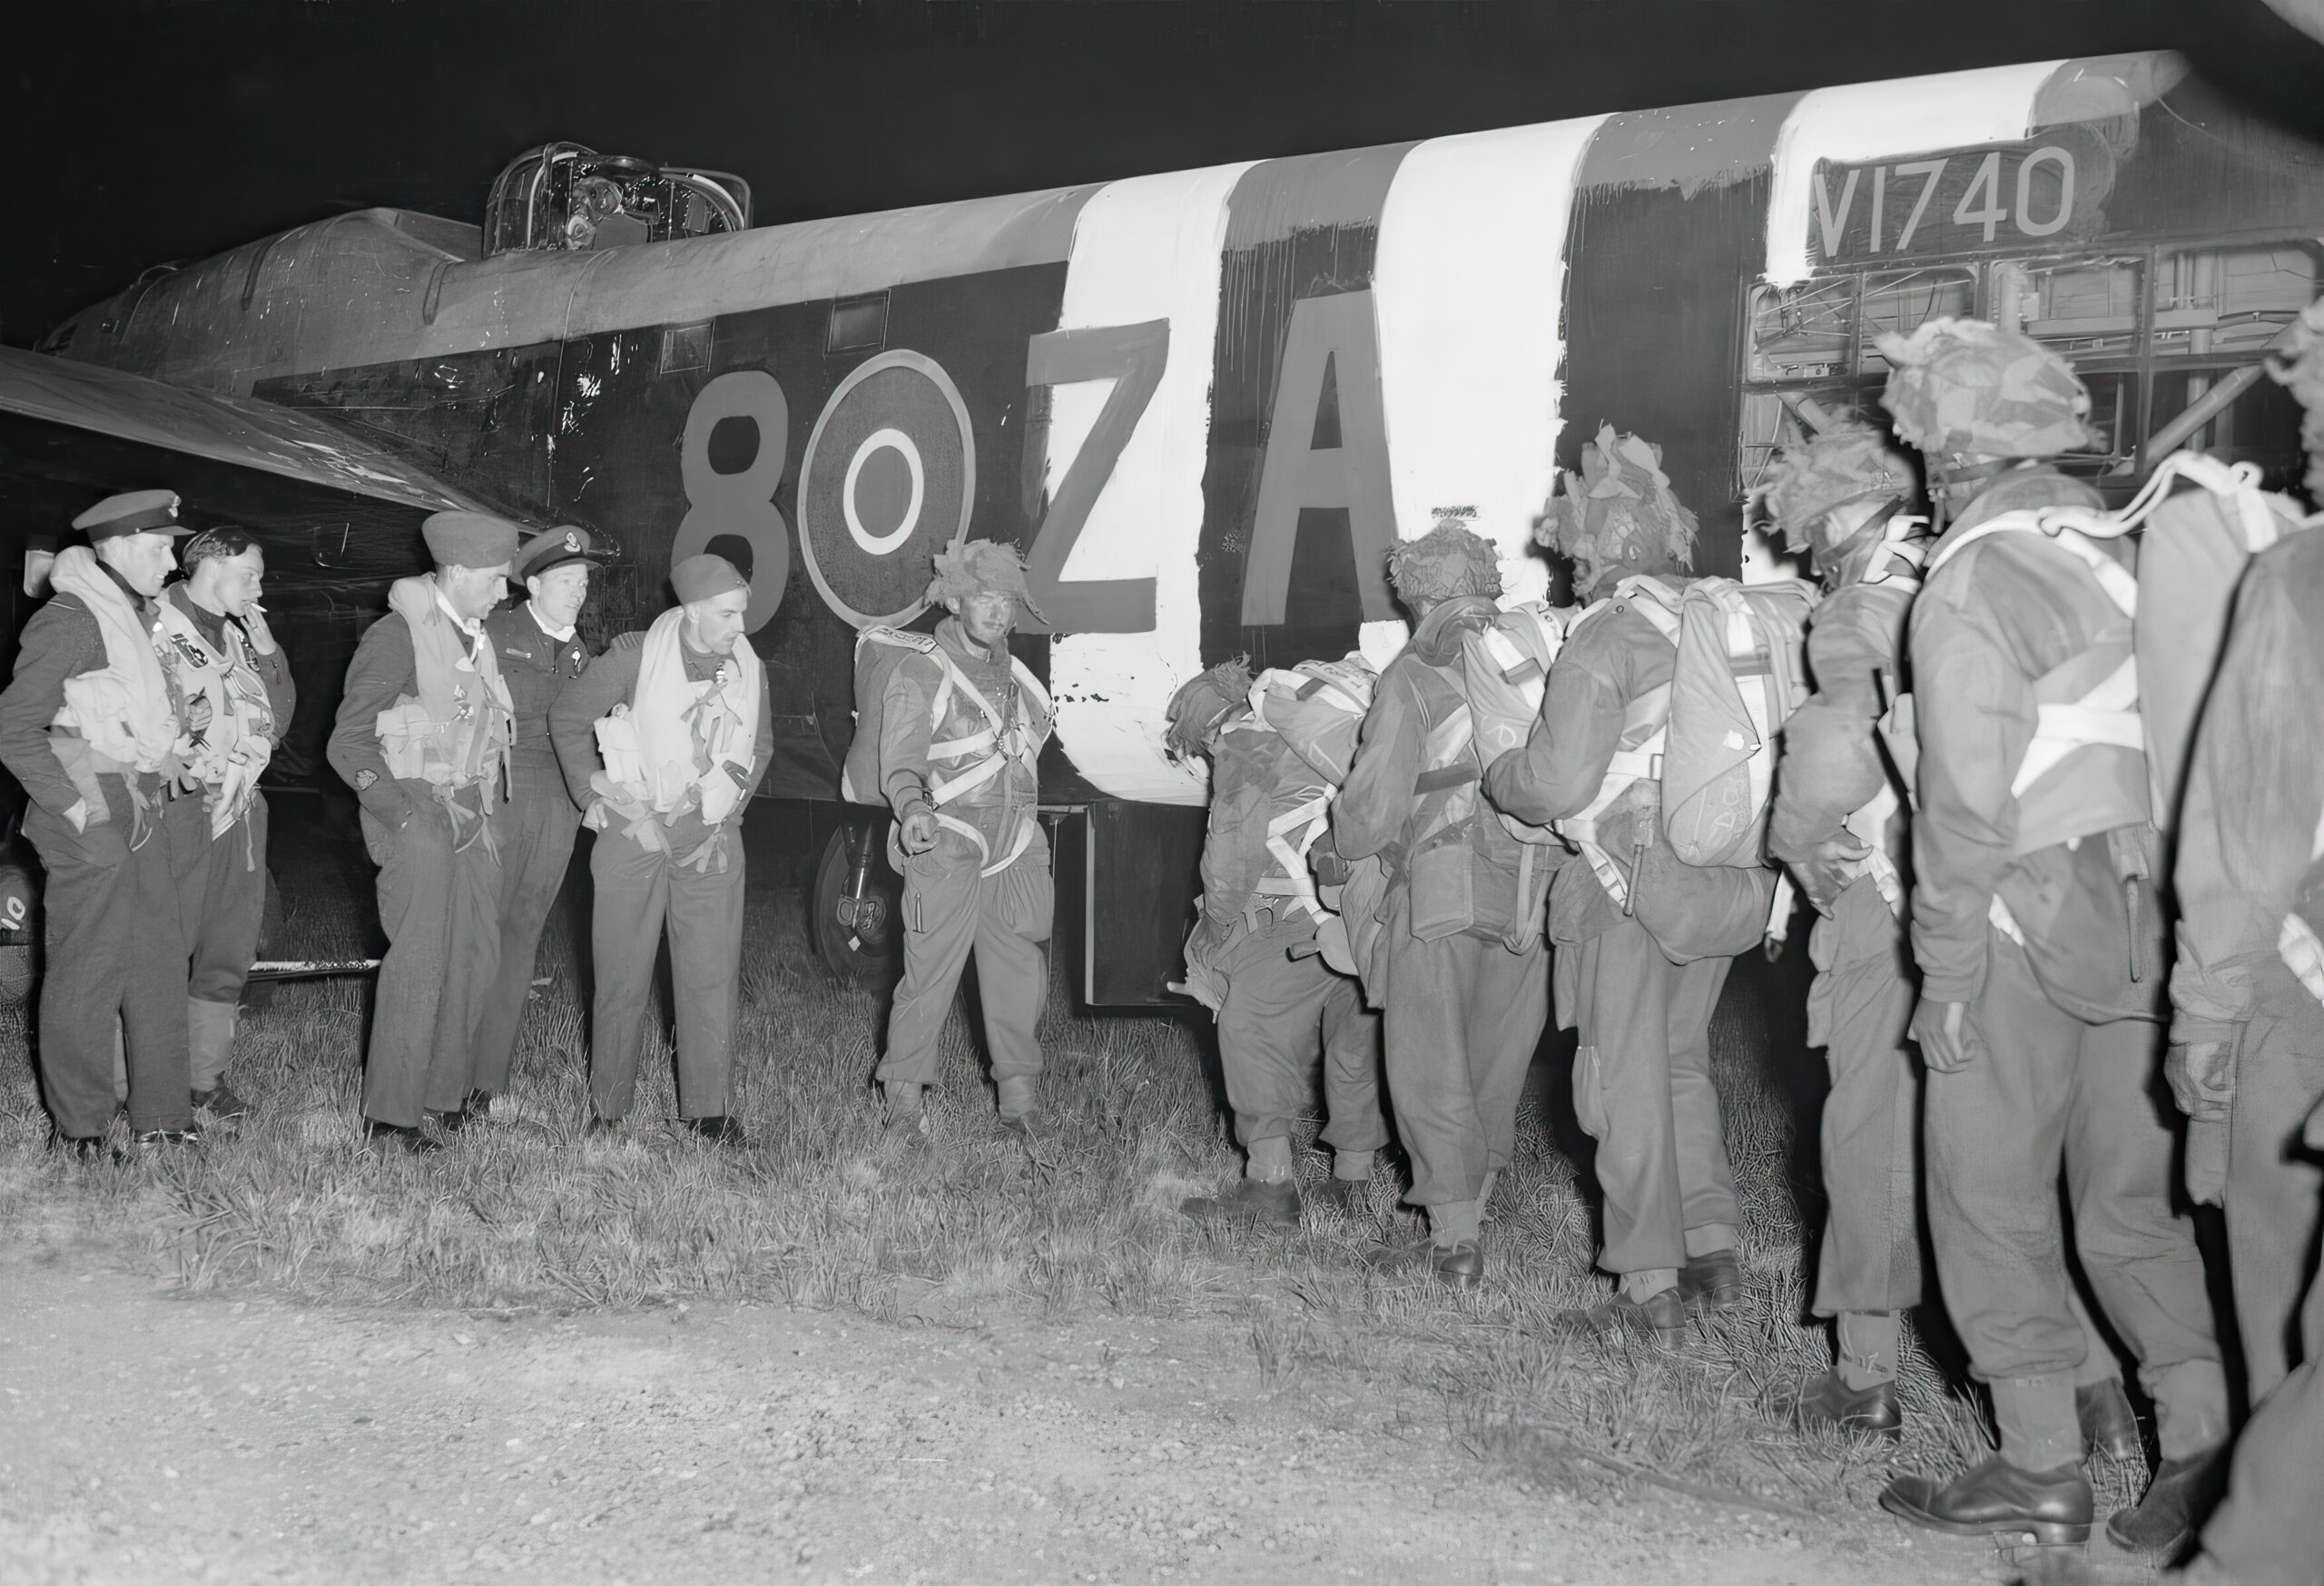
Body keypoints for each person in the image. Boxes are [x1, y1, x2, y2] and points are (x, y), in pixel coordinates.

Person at [1874, 319, 2227, 1551]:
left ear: (1943, 457)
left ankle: (2037, 1462)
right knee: (2131, 1204)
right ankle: (2201, 1441)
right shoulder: (2128, 550)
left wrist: (1948, 968)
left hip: (2024, 922)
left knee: (1988, 1191)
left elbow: (1967, 802)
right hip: (2149, 915)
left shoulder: (1972, 576)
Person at [1759, 419, 2143, 1453]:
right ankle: (2096, 1390)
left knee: (1873, 1142)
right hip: (2022, 900)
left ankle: (1864, 1379)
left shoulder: (1861, 604)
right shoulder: (1975, 565)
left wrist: (1793, 838)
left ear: (1844, 514)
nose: (1802, 550)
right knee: (2003, 1158)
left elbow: (1838, 751)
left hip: (1895, 902)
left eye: (1808, 527)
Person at [1484, 431, 1769, 1343]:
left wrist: (1503, 776)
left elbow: (1559, 782)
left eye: (1573, 551)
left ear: (1597, 549)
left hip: (1623, 885)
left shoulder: (1607, 633)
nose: (1568, 567)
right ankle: (1713, 1248)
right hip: (1718, 880)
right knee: (1682, 1061)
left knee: (1617, 1080)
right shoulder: (1719, 618)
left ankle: (1648, 1291)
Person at [1329, 517, 1552, 1291]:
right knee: (1495, 1060)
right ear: (1486, 582)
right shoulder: (1537, 657)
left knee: (1431, 1064)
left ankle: (1454, 1239)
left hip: (1442, 889)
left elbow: (1370, 810)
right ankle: (1473, 1210)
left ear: (1413, 590)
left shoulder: (1413, 673)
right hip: (1533, 891)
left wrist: (1342, 843)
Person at [549, 552, 771, 1144]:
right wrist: (589, 794)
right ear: (693, 609)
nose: (739, 628)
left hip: (710, 841)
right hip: (636, 833)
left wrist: (727, 808)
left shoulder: (745, 669)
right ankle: (608, 1109)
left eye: (741, 614)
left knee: (711, 974)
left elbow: (761, 746)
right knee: (621, 974)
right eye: (727, 615)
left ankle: (709, 1109)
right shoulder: (634, 656)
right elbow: (568, 717)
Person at [0, 490, 195, 1153]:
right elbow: (14, 727)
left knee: (158, 961)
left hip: (138, 801)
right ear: (113, 546)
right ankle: (80, 1129)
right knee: (90, 967)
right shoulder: (72, 617)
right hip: (86, 803)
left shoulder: (137, 618)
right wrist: (77, 809)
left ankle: (164, 1118)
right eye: (160, 545)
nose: (172, 561)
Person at [1167, 660, 1386, 1227]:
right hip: (1364, 916)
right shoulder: (1322, 733)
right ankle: (1353, 1179)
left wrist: (1214, 935)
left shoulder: (1242, 745)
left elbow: (1230, 858)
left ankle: (1269, 1187)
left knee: (1250, 1029)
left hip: (1291, 924)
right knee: (1353, 1043)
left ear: (1208, 729)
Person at [328, 510, 518, 1155]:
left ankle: (442, 1097)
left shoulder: (475, 639)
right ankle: (391, 1115)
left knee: (475, 956)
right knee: (420, 960)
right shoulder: (395, 635)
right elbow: (346, 743)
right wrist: (405, 818)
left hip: (470, 814)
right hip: (413, 814)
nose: (503, 591)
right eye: (495, 579)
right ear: (458, 572)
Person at [872, 541, 1056, 1136]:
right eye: (984, 598)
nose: (998, 611)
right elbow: (899, 761)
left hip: (1012, 844)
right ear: (954, 599)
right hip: (947, 839)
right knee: (928, 978)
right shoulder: (923, 669)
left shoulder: (1018, 676)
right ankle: (904, 1110)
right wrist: (911, 808)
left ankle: (1019, 1107)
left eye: (1007, 600)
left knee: (1017, 977)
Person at [155, 526, 294, 1123]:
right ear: (209, 567)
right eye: (251, 574)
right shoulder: (152, 627)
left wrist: (267, 652)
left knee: (226, 951)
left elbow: (277, 719)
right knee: (160, 949)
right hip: (181, 807)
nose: (259, 587)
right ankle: (138, 1085)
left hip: (241, 812)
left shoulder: (238, 637)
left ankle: (203, 1081)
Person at [468, 527, 602, 1120]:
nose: (580, 592)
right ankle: (445, 1073)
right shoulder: (495, 633)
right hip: (502, 796)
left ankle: (485, 1082)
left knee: (523, 938)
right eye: (570, 581)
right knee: (478, 936)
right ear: (537, 581)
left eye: (585, 582)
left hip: (560, 809)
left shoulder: (582, 655)